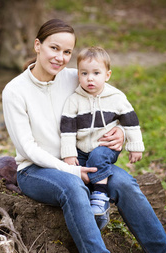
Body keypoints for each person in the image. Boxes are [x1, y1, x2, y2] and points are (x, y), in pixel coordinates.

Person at [1, 18, 166, 253]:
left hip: (83, 159)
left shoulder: (74, 77)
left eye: (67, 52)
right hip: (36, 170)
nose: (60, 57)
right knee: (73, 187)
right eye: (54, 48)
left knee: (125, 183)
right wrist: (69, 169)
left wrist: (119, 133)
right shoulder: (15, 91)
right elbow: (28, 148)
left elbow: (110, 104)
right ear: (37, 45)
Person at [60, 46, 145, 231]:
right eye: (84, 73)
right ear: (78, 75)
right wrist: (68, 154)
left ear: (107, 75)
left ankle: (100, 196)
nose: (90, 78)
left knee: (98, 157)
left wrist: (135, 146)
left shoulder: (116, 97)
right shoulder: (74, 100)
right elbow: (67, 131)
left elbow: (131, 122)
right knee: (73, 173)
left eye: (96, 73)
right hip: (82, 148)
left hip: (106, 147)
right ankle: (83, 212)